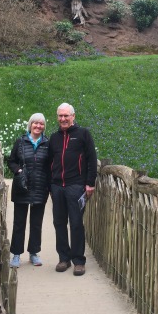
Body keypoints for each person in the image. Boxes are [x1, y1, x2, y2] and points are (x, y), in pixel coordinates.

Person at [48, 103, 97, 276]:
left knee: (76, 223)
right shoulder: (54, 138)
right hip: (57, 186)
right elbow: (49, 163)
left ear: (73, 116)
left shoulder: (83, 134)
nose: (63, 119)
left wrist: (90, 183)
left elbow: (92, 159)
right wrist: (50, 186)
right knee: (59, 223)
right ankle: (64, 258)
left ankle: (78, 260)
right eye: (60, 116)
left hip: (75, 185)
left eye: (66, 116)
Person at [7, 113, 51, 268]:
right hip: (22, 188)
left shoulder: (47, 143)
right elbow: (11, 161)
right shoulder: (20, 141)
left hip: (40, 187)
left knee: (36, 223)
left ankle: (34, 253)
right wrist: (18, 171)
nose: (38, 126)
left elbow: (50, 165)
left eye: (41, 124)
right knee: (19, 222)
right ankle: (16, 255)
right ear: (30, 125)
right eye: (35, 123)